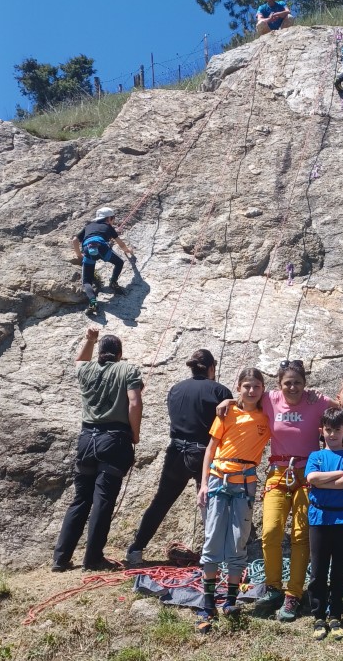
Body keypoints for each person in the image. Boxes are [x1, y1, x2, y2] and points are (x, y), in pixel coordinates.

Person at [216, 359, 336, 621]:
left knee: (300, 534)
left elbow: (342, 410)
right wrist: (227, 401)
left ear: (305, 383)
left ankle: (293, 594)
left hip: (308, 473)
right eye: (287, 383)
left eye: (298, 383)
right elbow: (246, 399)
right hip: (278, 472)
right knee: (271, 531)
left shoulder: (315, 401)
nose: (292, 388)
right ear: (279, 385)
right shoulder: (270, 399)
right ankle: (273, 587)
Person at [125, 349, 232, 566]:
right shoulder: (220, 392)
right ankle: (213, 555)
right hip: (204, 453)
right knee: (210, 504)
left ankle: (136, 548)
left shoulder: (175, 389)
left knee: (161, 501)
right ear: (212, 368)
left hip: (176, 452)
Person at [52, 328, 143, 572]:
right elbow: (134, 402)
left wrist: (89, 339)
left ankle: (61, 559)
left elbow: (80, 360)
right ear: (120, 353)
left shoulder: (86, 369)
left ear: (101, 352)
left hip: (86, 439)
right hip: (114, 439)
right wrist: (135, 433)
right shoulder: (128, 370)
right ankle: (92, 559)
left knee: (80, 499)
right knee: (103, 501)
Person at [194, 368, 271, 634]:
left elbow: (286, 399)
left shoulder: (267, 415)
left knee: (239, 538)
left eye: (257, 387)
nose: (251, 391)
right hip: (219, 479)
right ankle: (207, 603)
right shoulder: (227, 413)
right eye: (246, 386)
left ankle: (230, 600)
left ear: (263, 389)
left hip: (245, 482)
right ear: (238, 387)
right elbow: (211, 449)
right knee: (213, 536)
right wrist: (203, 484)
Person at [305, 407, 343, 641]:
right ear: (322, 431)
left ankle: (336, 614)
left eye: (336, 430)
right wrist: (339, 476)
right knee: (318, 570)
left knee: (342, 569)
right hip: (320, 518)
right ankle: (319, 616)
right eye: (328, 430)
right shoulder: (315, 457)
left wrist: (324, 481)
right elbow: (311, 478)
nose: (332, 435)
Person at [72, 206, 134, 316]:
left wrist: (79, 255)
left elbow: (75, 240)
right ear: (109, 218)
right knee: (119, 263)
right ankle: (113, 282)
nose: (113, 220)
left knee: (87, 281)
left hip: (88, 249)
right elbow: (120, 243)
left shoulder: (88, 226)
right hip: (102, 247)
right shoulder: (108, 226)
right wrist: (128, 251)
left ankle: (93, 302)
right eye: (113, 218)